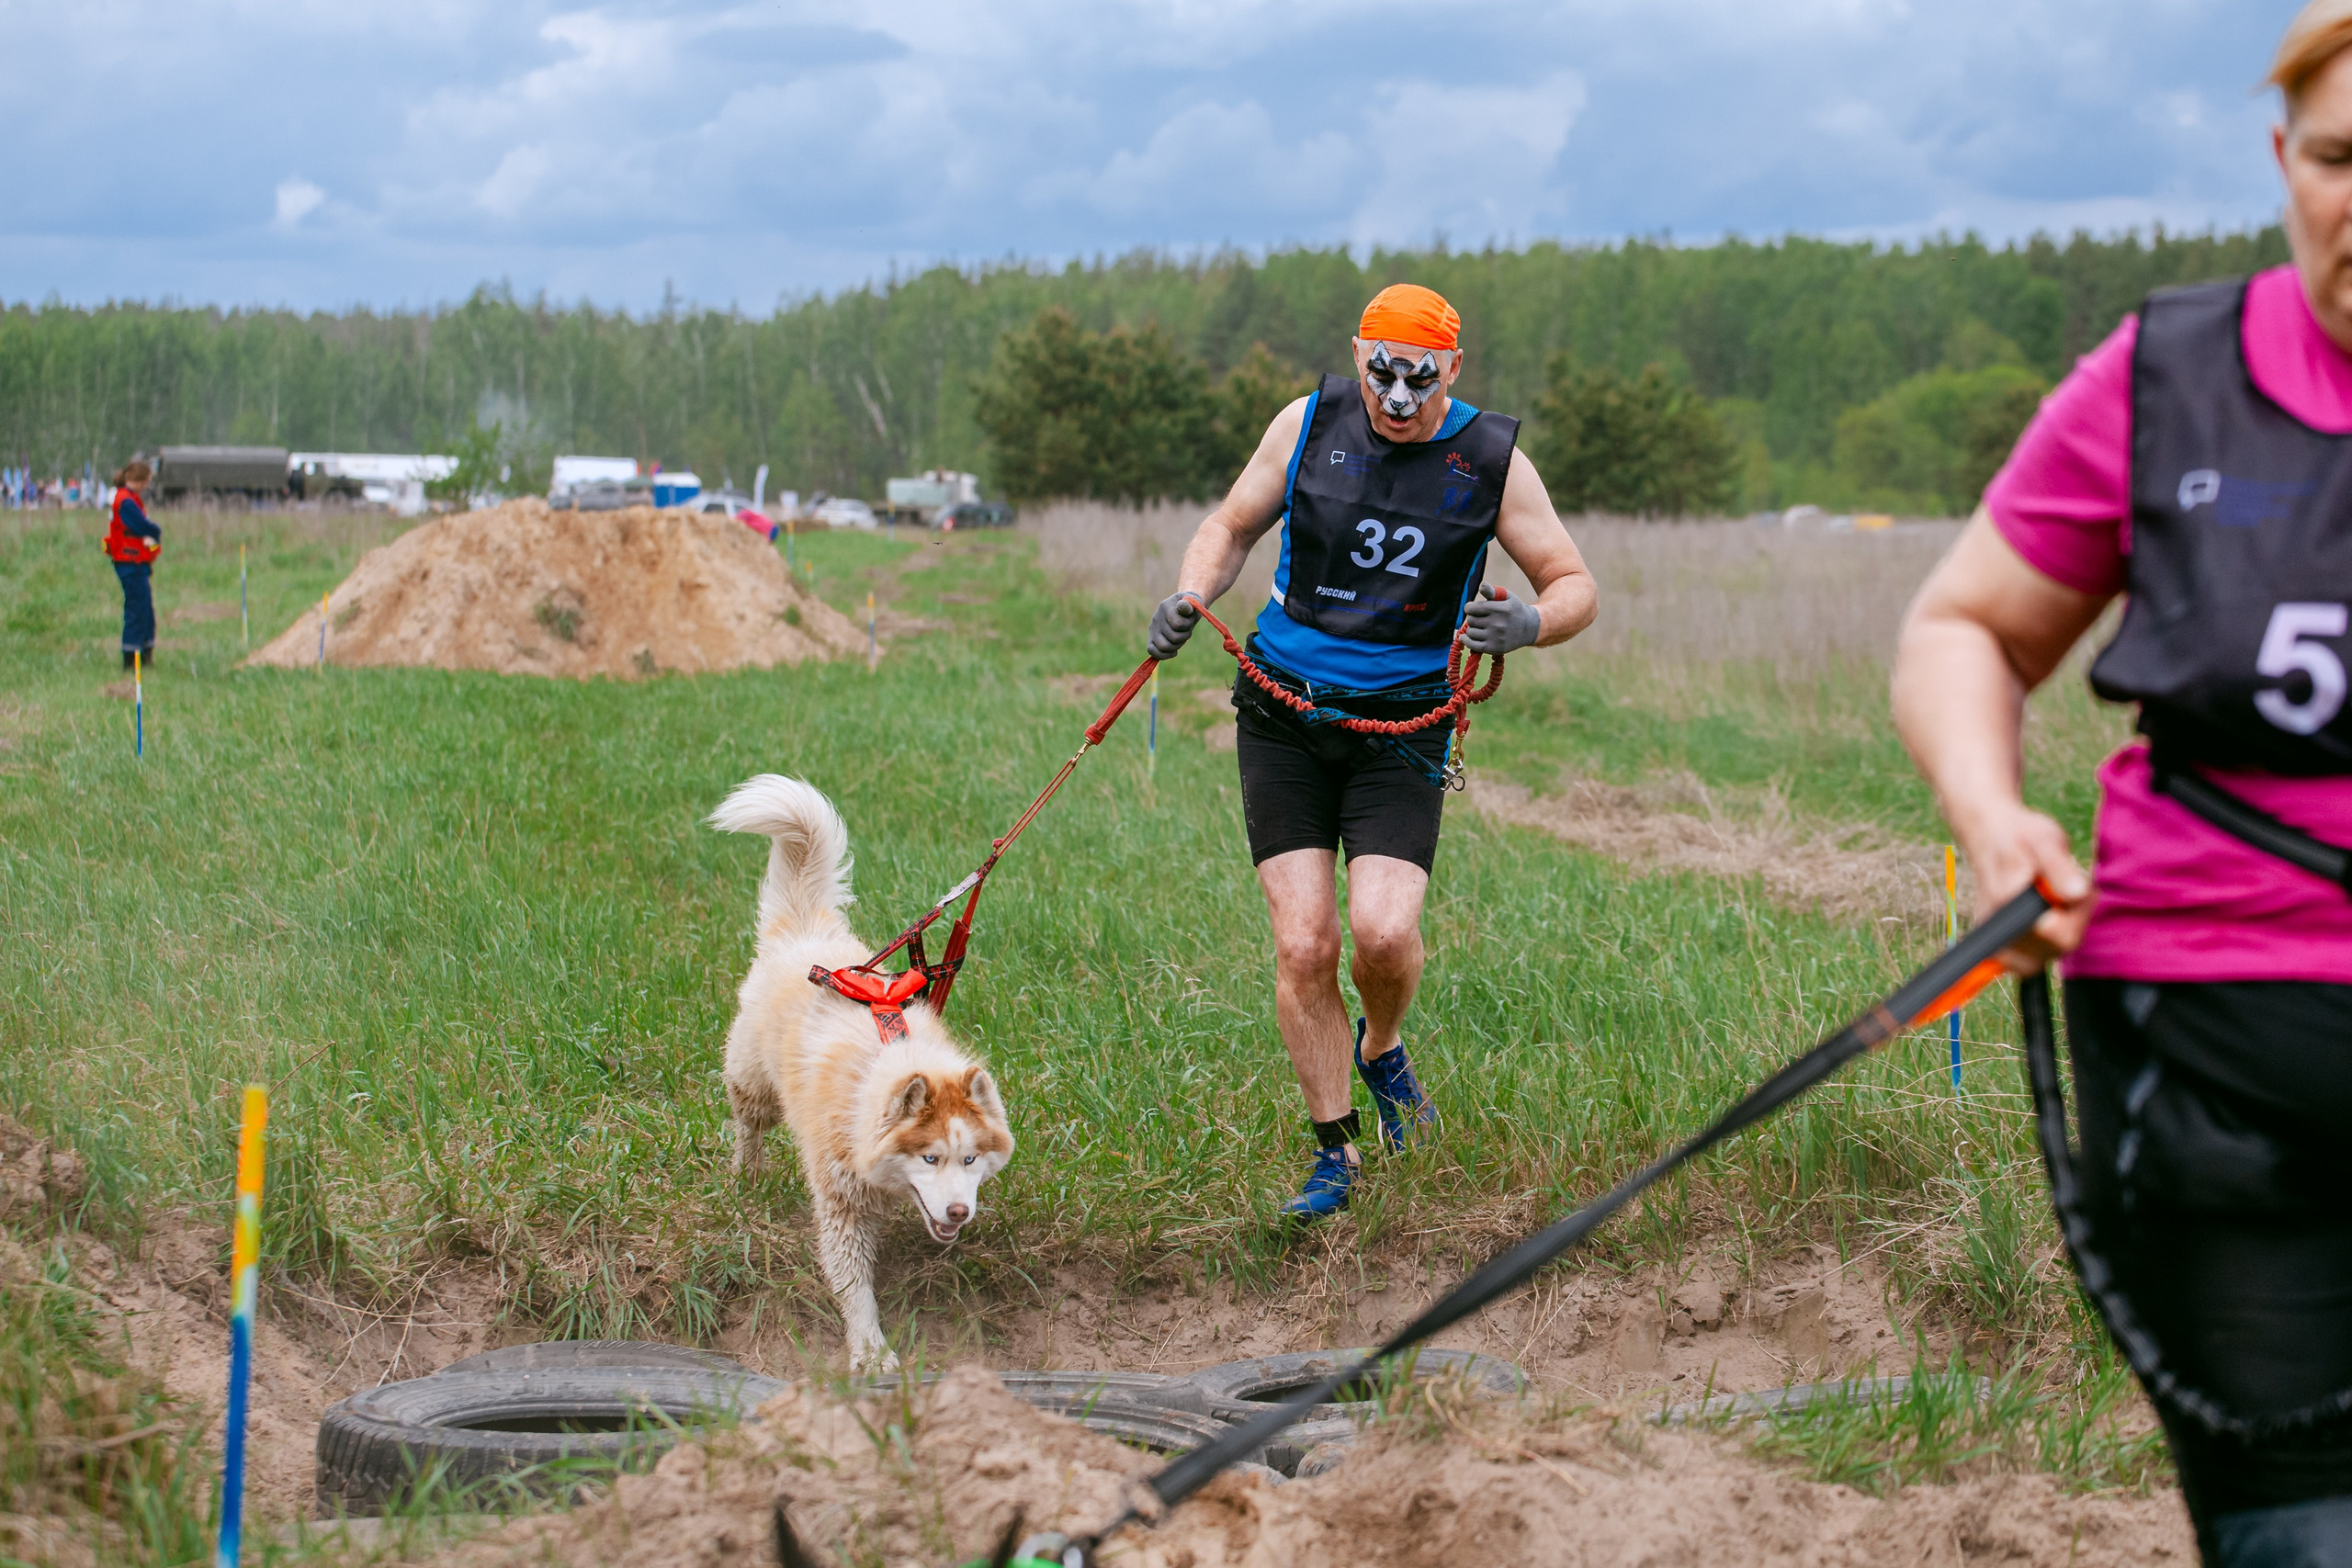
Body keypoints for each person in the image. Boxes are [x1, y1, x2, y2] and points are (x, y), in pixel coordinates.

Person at [1893, 5, 2352, 1560]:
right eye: (2341, 160)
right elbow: (1963, 628)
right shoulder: (2169, 378)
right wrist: (1990, 814)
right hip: (2217, 1062)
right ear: (2282, 160)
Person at [1149, 284, 1598, 1220]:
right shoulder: (1306, 423)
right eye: (1382, 375)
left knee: (1384, 934)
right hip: (1283, 710)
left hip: (1403, 725)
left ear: (1454, 369)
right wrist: (1190, 594)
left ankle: (1381, 1046)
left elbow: (1573, 583)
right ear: (1358, 356)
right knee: (1304, 942)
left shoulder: (1491, 459)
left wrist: (1530, 622)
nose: (1398, 400)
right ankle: (1335, 1153)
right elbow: (1228, 527)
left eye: (1420, 382)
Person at [105, 458, 161, 671]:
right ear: (140, 480)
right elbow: (140, 525)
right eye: (147, 481)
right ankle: (131, 660)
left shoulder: (127, 498)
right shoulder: (126, 502)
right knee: (137, 610)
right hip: (130, 562)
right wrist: (155, 532)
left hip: (135, 561)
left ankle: (145, 655)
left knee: (145, 610)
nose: (148, 485)